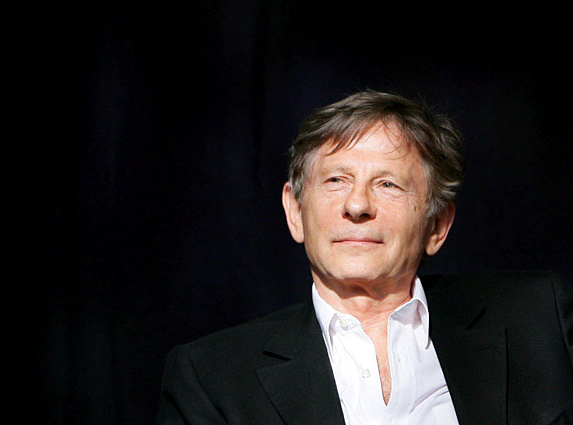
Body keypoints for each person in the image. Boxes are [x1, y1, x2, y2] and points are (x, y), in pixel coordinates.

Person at [157, 90, 573, 425]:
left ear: (437, 225)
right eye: (336, 180)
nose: (357, 205)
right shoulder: (211, 376)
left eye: (388, 184)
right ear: (295, 212)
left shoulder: (537, 318)